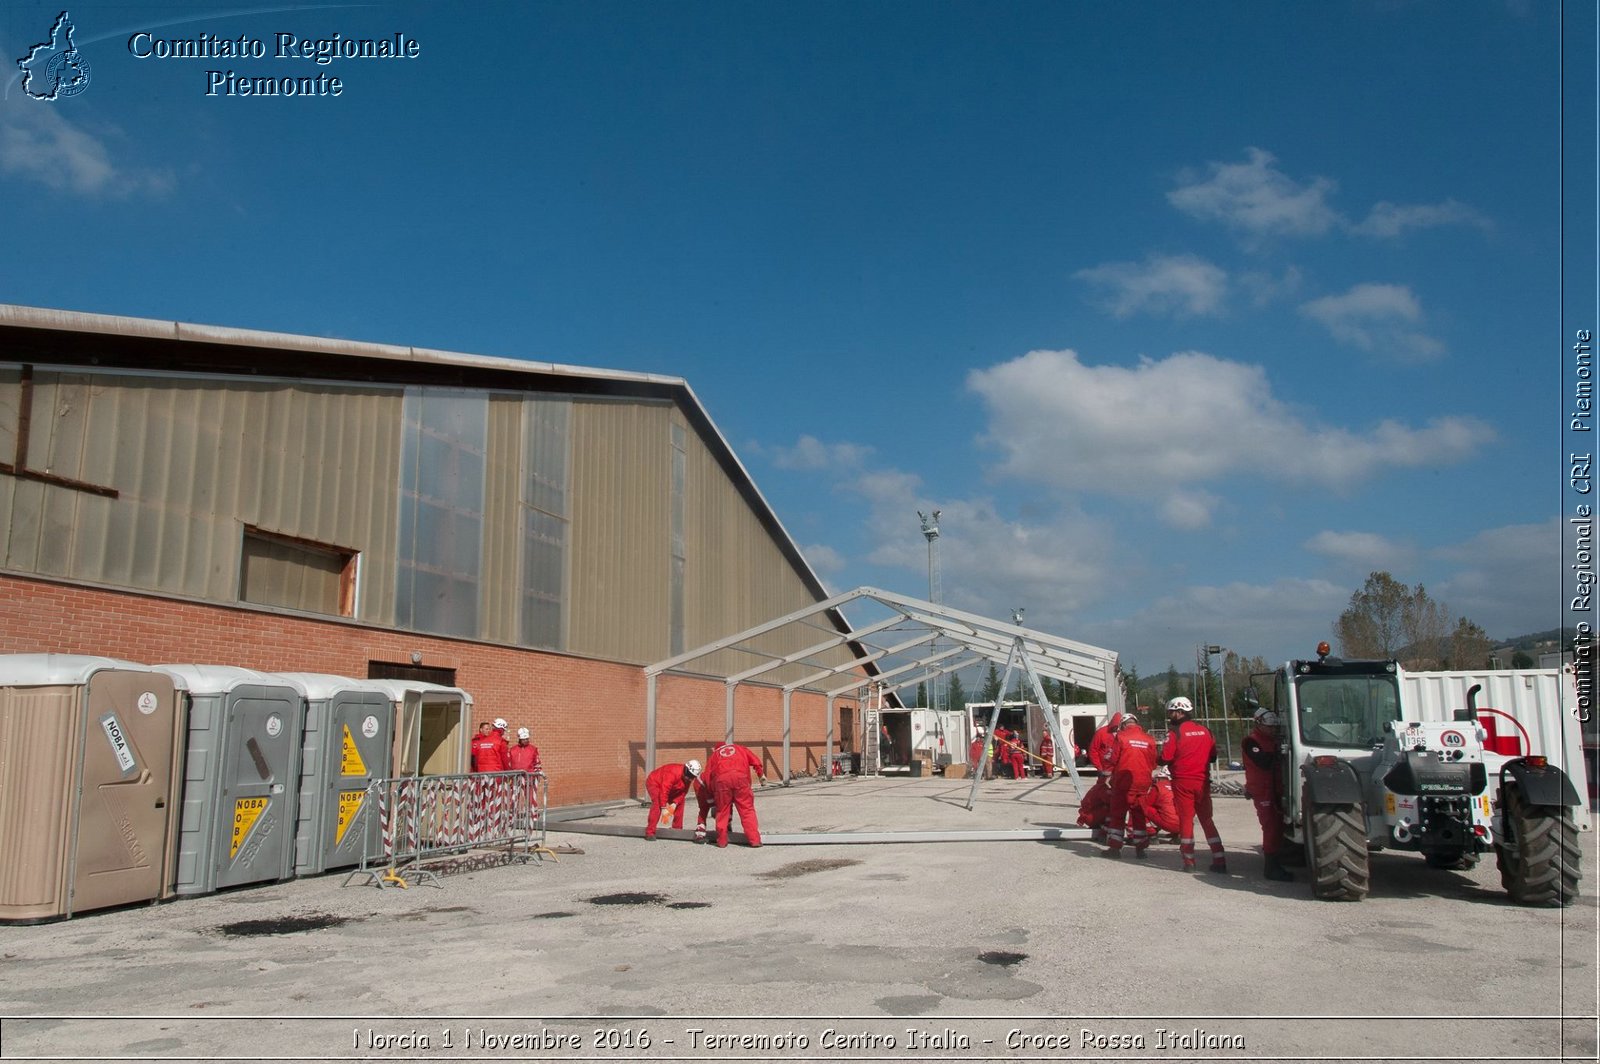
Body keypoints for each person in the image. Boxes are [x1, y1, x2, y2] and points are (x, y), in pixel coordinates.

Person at [1159, 696, 1227, 873]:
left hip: (1183, 782)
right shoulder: (1205, 730)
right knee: (1207, 820)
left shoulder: (1174, 732)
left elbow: (1165, 758)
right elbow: (1212, 756)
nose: (1170, 715)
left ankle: (1189, 861)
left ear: (1180, 712)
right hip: (1202, 782)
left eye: (1171, 712)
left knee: (1186, 820)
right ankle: (1219, 858)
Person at [1242, 707, 1293, 881]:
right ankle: (1271, 867)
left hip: (1276, 788)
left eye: (1274, 727)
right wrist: (1280, 752)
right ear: (1259, 724)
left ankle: (1279, 859)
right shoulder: (1251, 742)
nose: (1272, 730)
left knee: (1279, 826)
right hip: (1263, 791)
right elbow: (1264, 762)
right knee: (1270, 827)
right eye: (1269, 727)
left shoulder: (1273, 741)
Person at [1103, 712, 1158, 858]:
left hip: (1123, 782)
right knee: (1139, 814)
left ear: (1123, 724)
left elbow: (1113, 758)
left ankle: (1115, 848)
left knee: (1118, 814)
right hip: (1143, 782)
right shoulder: (1149, 739)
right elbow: (1153, 763)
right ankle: (1141, 849)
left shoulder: (1121, 737)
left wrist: (1107, 775)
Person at [706, 741, 766, 847]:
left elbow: (708, 776)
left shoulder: (714, 755)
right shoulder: (740, 748)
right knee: (747, 810)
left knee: (722, 811)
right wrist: (760, 774)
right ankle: (755, 840)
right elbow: (755, 760)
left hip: (721, 782)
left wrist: (712, 794)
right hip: (741, 778)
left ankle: (722, 841)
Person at [644, 759, 710, 841]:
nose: (689, 779)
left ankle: (677, 829)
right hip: (655, 783)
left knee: (680, 802)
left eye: (692, 777)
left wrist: (675, 803)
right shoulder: (672, 773)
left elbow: (683, 792)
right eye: (689, 775)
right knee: (657, 803)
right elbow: (664, 791)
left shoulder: (688, 778)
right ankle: (650, 832)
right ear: (686, 769)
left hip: (673, 787)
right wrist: (664, 808)